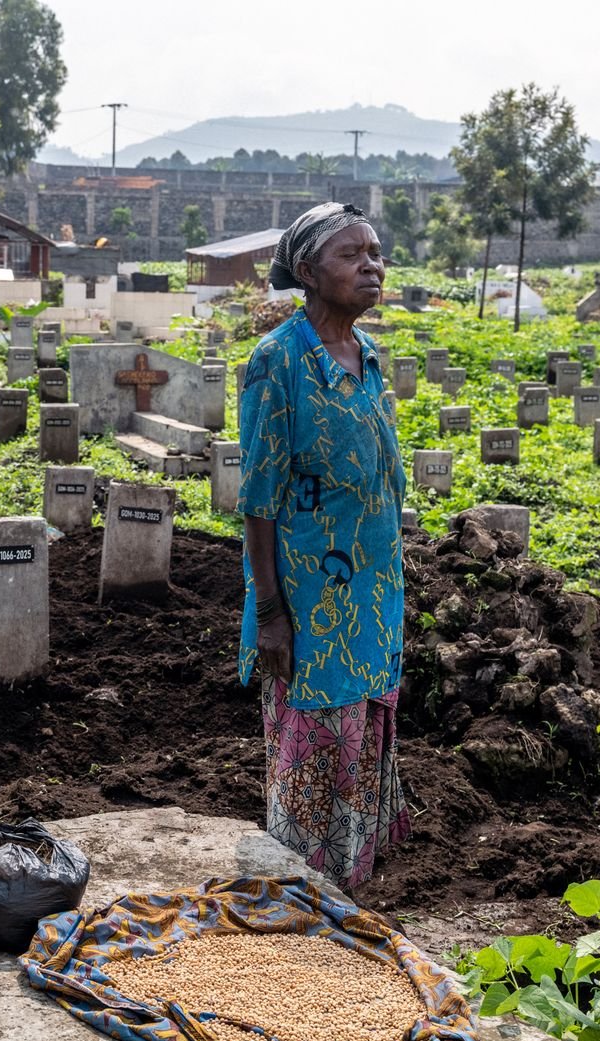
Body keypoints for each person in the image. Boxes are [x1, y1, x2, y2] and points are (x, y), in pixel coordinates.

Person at [236, 202, 408, 890]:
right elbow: (259, 502)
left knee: (360, 746)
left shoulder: (366, 357)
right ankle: (300, 906)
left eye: (375, 251)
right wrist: (272, 613)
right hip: (311, 604)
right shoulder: (278, 361)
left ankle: (349, 891)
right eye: (351, 254)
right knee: (315, 750)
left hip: (372, 598)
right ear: (308, 270)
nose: (371, 264)